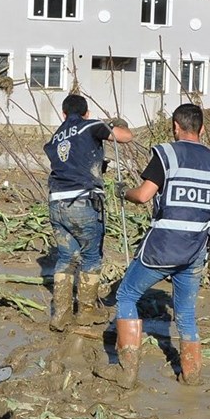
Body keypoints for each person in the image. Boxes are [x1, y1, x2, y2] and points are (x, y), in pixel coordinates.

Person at [95, 103, 210, 388]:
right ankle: (191, 375)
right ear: (202, 129)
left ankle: (127, 370)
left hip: (163, 245)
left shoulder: (166, 153)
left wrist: (124, 192)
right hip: (197, 248)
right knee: (185, 313)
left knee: (126, 295)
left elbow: (145, 196)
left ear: (175, 127)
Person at [44, 94, 132, 331]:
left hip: (56, 204)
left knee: (65, 257)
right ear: (87, 113)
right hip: (83, 202)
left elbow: (70, 160)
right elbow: (125, 137)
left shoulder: (55, 138)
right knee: (91, 257)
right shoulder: (89, 126)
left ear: (63, 114)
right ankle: (86, 311)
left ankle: (60, 314)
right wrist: (115, 125)